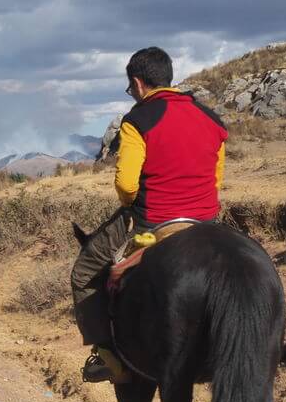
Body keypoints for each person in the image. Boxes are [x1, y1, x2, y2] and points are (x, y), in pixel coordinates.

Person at [71, 46, 228, 384]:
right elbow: (216, 179)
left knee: (84, 272)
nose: (133, 93)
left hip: (151, 218)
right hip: (205, 222)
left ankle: (106, 356)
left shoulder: (137, 120)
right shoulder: (212, 119)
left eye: (131, 89)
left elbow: (127, 185)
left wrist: (133, 203)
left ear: (138, 84)